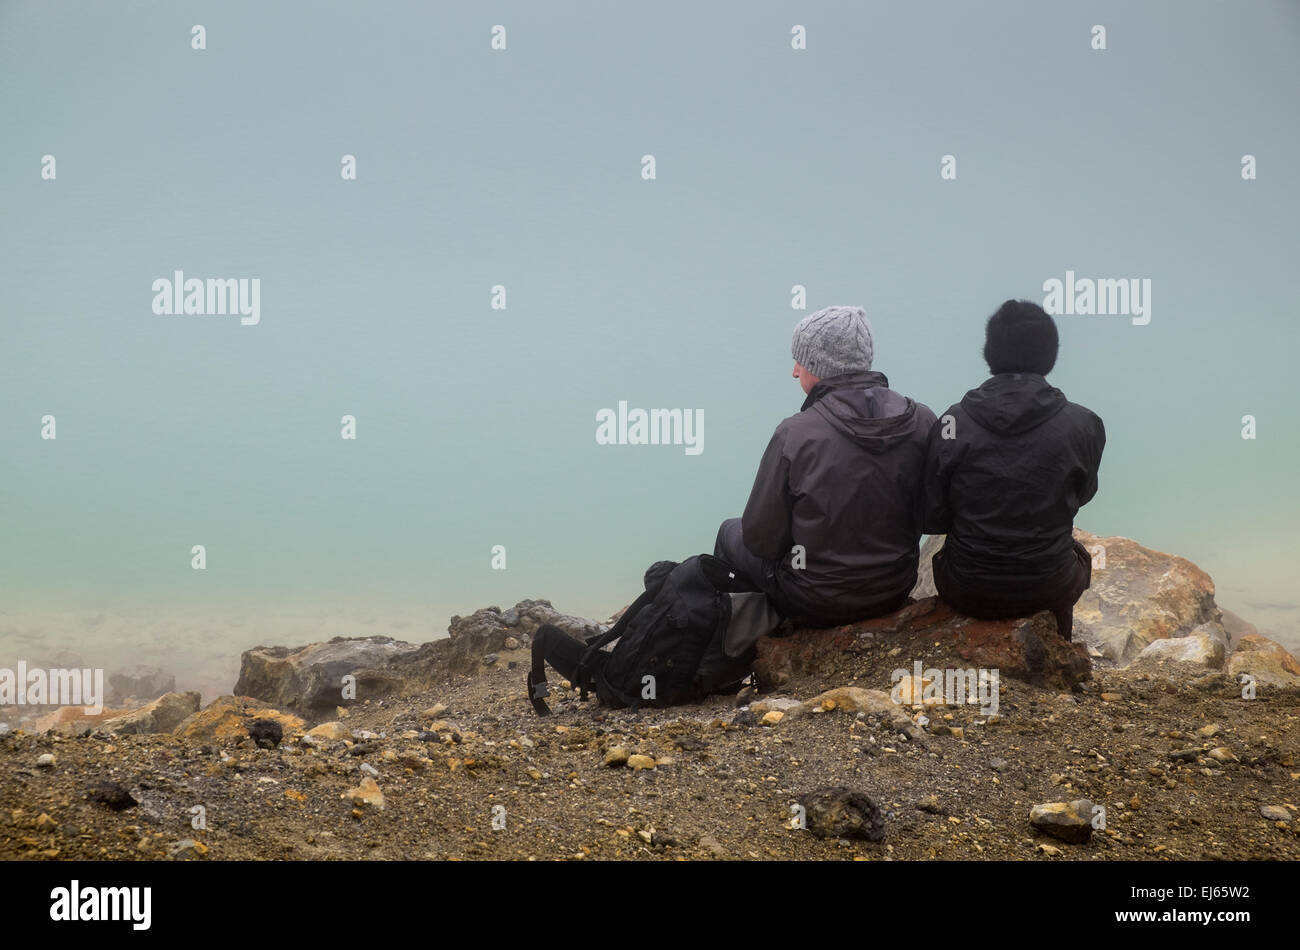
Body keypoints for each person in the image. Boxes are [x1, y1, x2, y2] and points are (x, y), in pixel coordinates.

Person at [714, 306, 937, 627]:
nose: (794, 371)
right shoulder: (922, 419)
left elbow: (761, 540)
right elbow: (933, 516)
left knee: (729, 532)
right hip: (894, 586)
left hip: (814, 598)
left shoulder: (795, 433)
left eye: (800, 360)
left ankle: (739, 649)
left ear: (819, 367)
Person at [919, 299, 1105, 640]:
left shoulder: (953, 422)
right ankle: (1057, 649)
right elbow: (1082, 495)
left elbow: (932, 517)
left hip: (966, 586)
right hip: (1051, 585)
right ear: (1051, 355)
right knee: (1071, 554)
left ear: (989, 353)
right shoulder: (1083, 424)